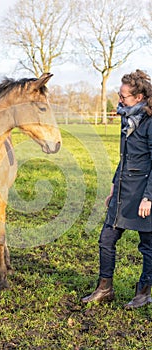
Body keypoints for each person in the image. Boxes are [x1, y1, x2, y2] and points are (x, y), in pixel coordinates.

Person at [82, 69, 152, 309]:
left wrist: (149, 197)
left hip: (144, 193)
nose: (119, 100)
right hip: (122, 191)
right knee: (106, 239)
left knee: (148, 246)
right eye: (119, 95)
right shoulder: (126, 118)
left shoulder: (150, 122)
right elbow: (124, 158)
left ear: (139, 97)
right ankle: (105, 288)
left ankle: (143, 292)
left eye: (124, 96)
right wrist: (114, 185)